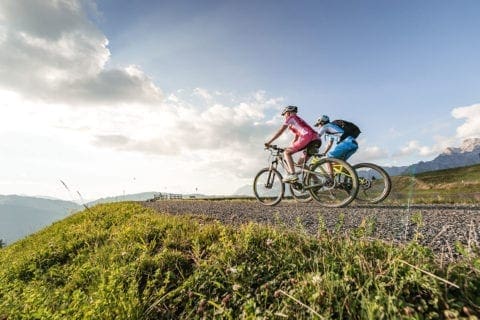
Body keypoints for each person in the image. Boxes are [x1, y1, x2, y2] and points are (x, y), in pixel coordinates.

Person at [265, 106, 319, 183]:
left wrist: (269, 142)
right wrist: (289, 147)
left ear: (287, 113)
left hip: (307, 137)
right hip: (316, 139)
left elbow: (280, 132)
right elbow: (296, 138)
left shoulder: (290, 118)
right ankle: (316, 180)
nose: (285, 117)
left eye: (284, 115)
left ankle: (292, 174)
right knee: (300, 164)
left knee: (286, 153)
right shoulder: (298, 121)